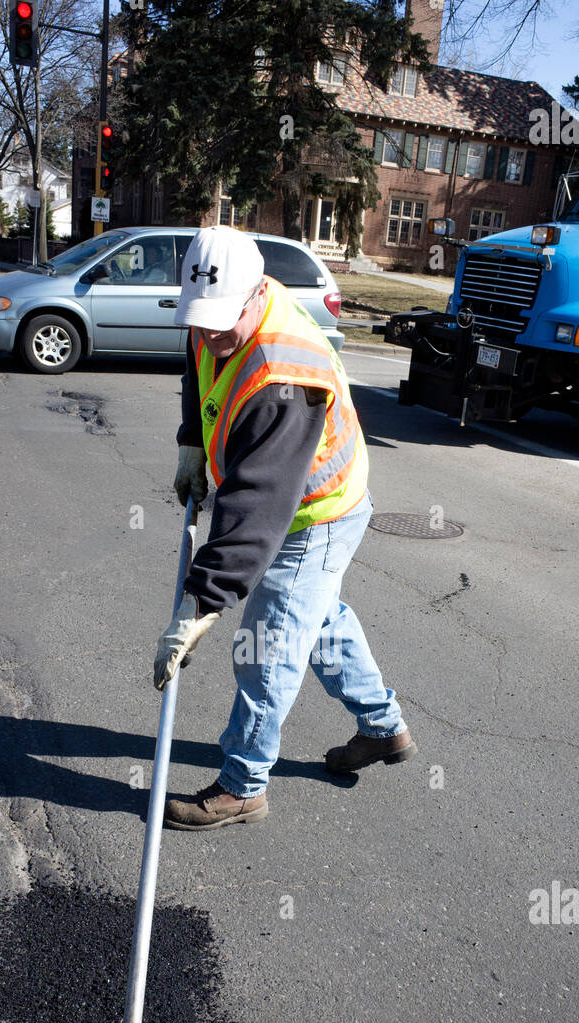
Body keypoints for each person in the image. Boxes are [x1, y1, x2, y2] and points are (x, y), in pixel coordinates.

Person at [154, 225, 415, 829]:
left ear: (255, 295)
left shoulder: (282, 373)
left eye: (223, 321)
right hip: (297, 502)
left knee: (268, 645)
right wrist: (192, 439)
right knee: (318, 619)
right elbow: (200, 363)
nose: (212, 332)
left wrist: (202, 605)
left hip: (313, 513)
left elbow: (257, 506)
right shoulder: (219, 312)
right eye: (201, 319)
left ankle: (244, 785)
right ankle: (383, 728)